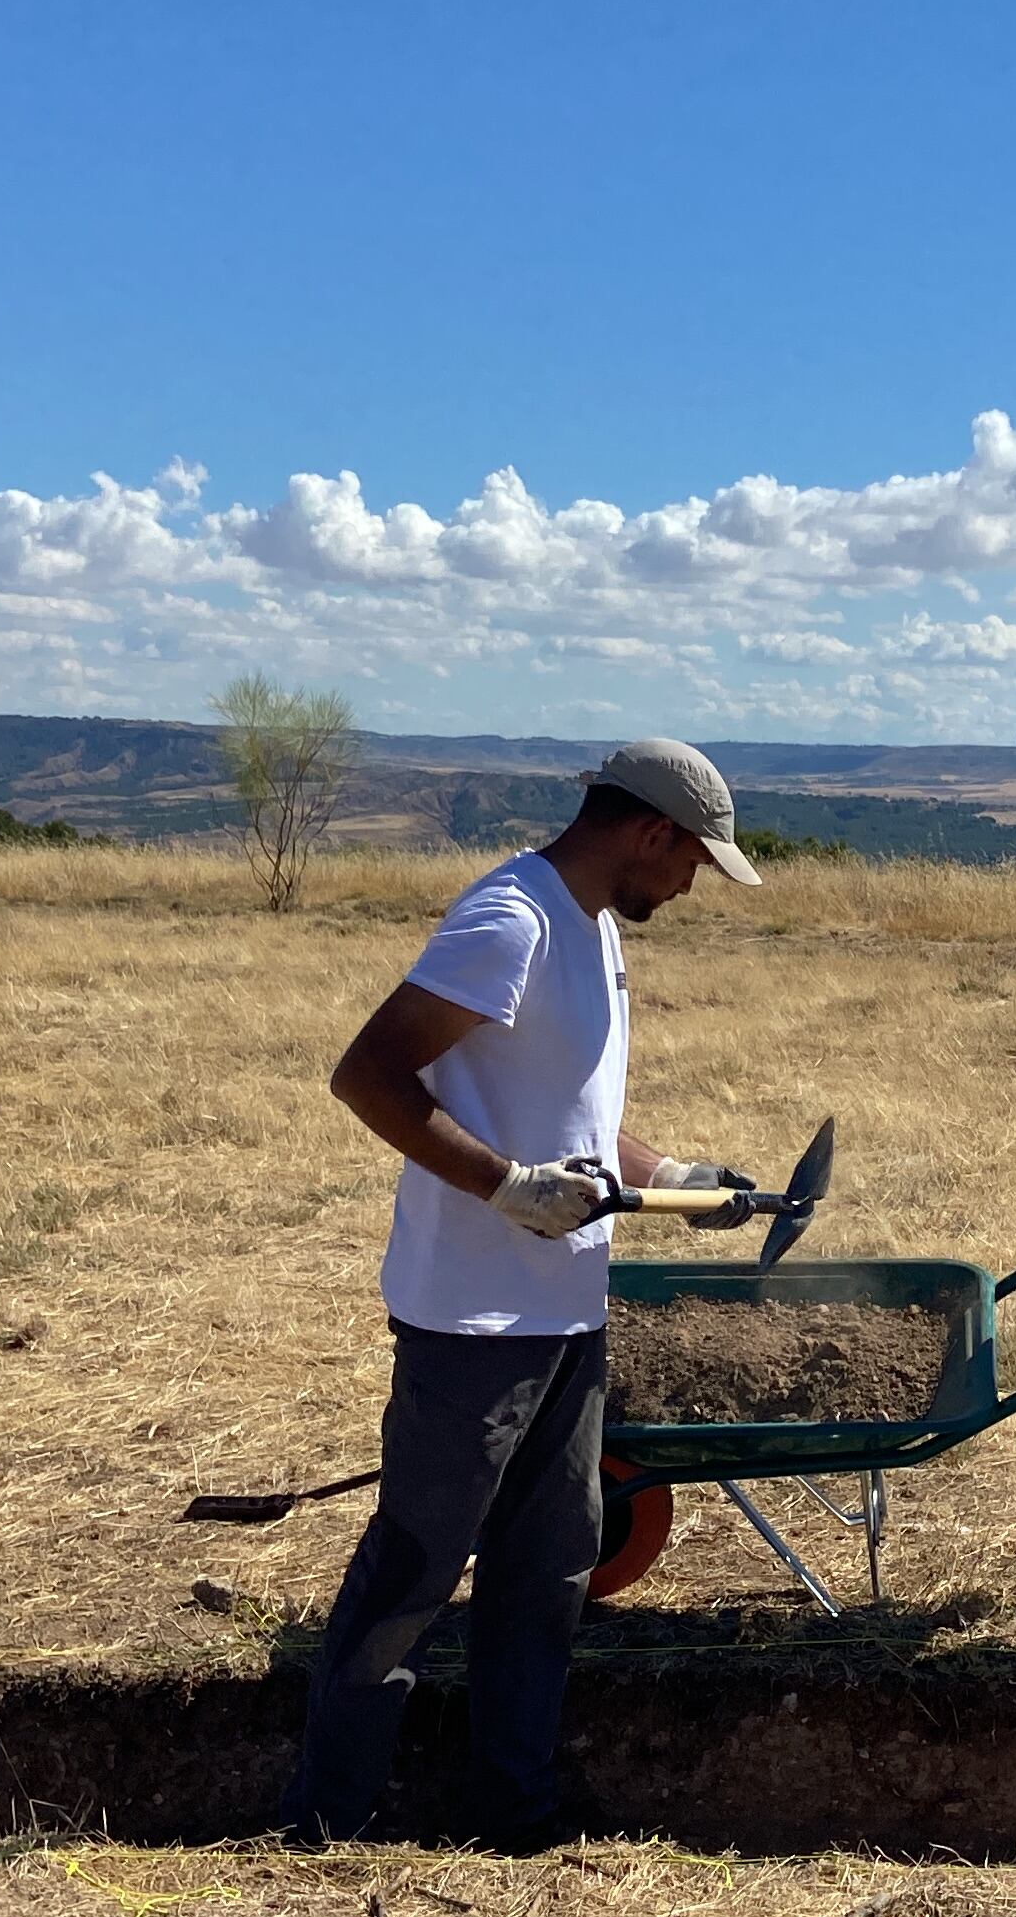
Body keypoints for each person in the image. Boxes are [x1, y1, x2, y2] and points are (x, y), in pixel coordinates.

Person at [279, 738, 766, 1847]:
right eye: (693, 862)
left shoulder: (591, 929)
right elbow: (368, 1075)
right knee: (415, 1567)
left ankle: (515, 1812)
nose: (691, 886)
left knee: (548, 1572)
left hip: (565, 1311)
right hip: (472, 1321)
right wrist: (502, 1187)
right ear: (650, 834)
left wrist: (677, 1182)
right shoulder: (514, 921)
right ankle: (326, 1820)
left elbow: (573, 1124)